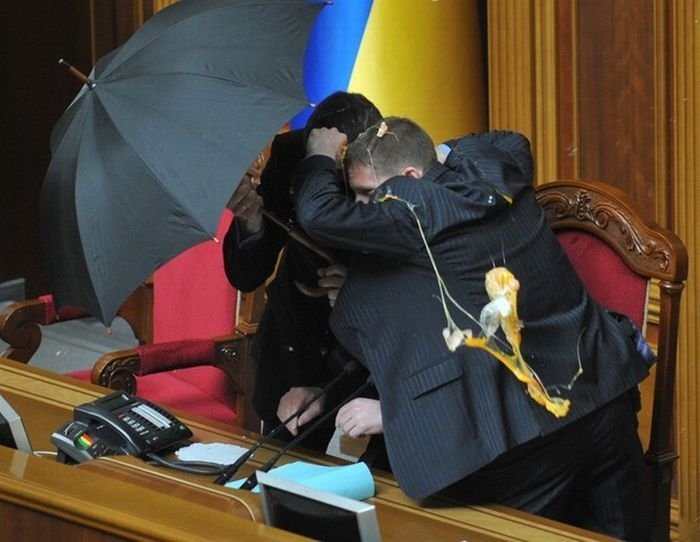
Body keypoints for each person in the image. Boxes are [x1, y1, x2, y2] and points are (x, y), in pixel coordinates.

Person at [293, 117, 655, 540]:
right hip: (603, 391)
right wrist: (425, 153)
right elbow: (509, 138)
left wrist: (318, 155)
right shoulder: (494, 167)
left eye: (369, 195)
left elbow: (318, 213)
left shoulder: (416, 210)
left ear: (411, 178)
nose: (362, 211)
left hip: (530, 440)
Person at [222, 91, 385, 456]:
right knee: (281, 463)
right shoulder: (290, 157)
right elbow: (246, 275)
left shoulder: (391, 162)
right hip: (296, 339)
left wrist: (360, 289)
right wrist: (250, 221)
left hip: (369, 350)